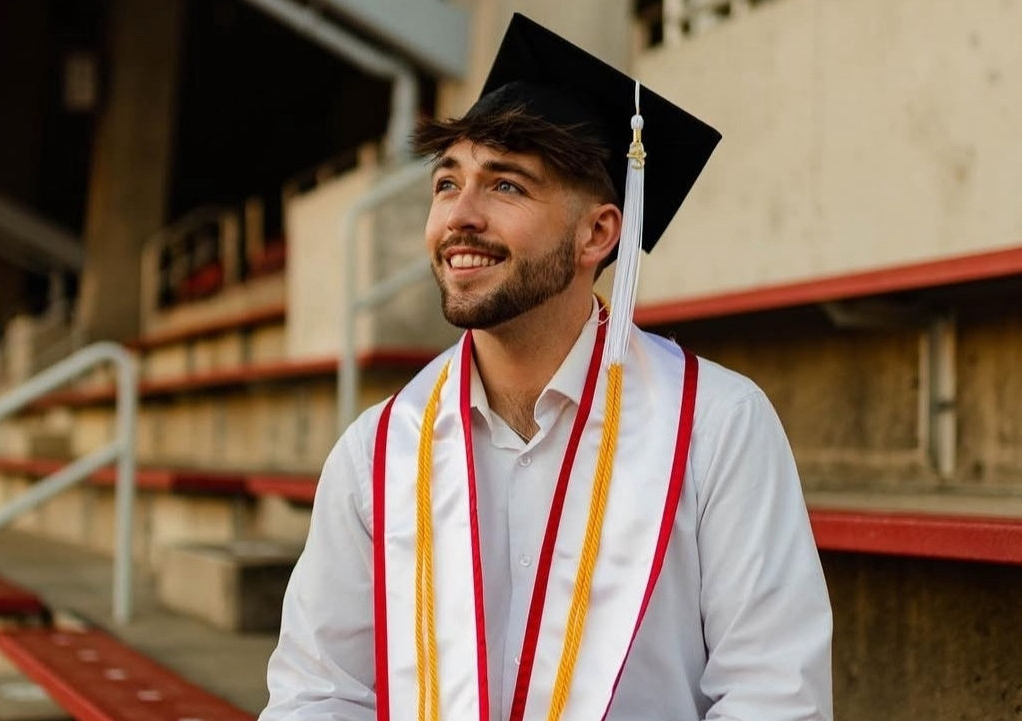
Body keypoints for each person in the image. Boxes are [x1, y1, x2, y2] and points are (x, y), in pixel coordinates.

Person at [260, 14, 832, 721]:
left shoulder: (715, 427)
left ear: (597, 233)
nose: (460, 216)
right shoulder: (378, 453)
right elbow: (317, 694)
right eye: (446, 183)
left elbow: (774, 697)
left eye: (505, 187)